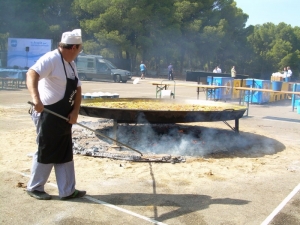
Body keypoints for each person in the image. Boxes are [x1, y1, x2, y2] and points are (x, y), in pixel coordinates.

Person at [26, 29, 86, 200]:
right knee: (47, 147)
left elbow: (78, 88)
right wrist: (36, 99)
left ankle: (67, 190)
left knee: (64, 151)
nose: (79, 52)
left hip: (64, 115)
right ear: (73, 47)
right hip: (48, 113)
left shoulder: (71, 64)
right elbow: (32, 74)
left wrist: (75, 111)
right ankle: (35, 187)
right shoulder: (51, 58)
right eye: (80, 49)